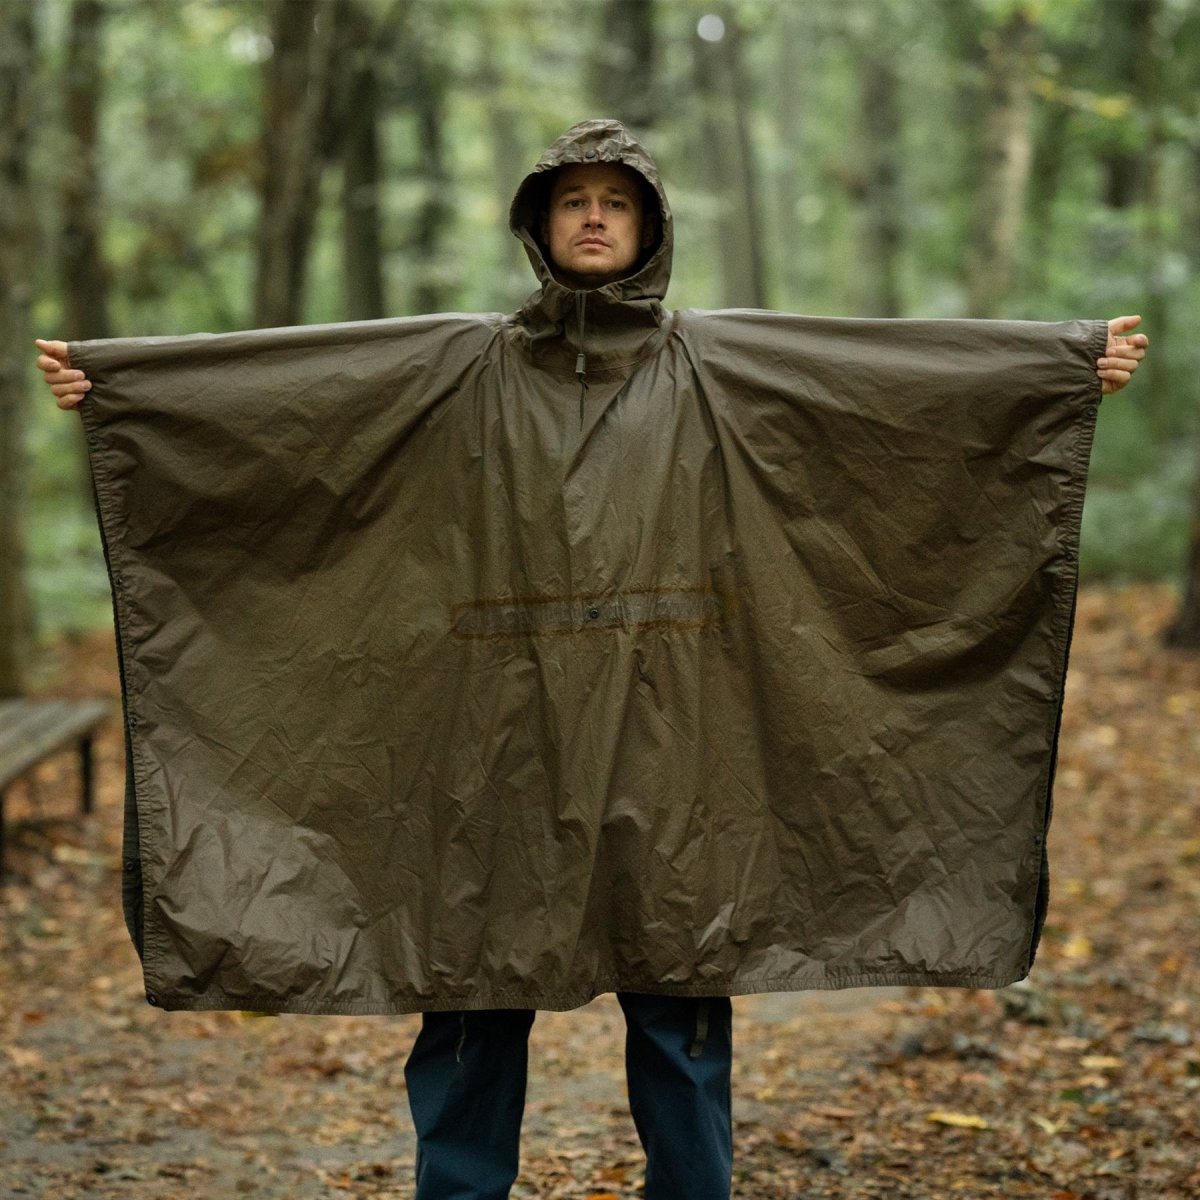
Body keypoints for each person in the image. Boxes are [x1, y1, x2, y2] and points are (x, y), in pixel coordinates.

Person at [33, 120, 1148, 1200]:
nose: (597, 220)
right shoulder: (461, 365)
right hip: (494, 754)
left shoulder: (719, 364)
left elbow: (887, 388)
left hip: (677, 752)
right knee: (469, 990)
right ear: (541, 224)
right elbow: (295, 405)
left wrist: (1055, 373)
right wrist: (129, 393)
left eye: (617, 203)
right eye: (577, 203)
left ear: (651, 225)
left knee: (680, 1006)